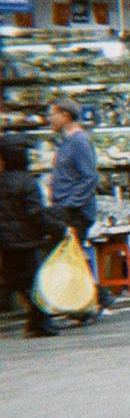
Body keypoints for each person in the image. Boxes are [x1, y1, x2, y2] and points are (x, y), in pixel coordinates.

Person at [47, 96, 111, 313]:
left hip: (74, 211)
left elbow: (89, 177)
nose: (49, 119)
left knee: (68, 256)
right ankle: (89, 300)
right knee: (69, 257)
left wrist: (70, 203)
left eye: (52, 114)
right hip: (64, 207)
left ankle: (94, 298)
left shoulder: (79, 141)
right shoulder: (65, 141)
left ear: (65, 115)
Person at [0, 135, 66, 337]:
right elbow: (36, 214)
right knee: (37, 282)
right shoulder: (28, 182)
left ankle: (35, 322)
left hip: (6, 242)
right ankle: (40, 323)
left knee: (15, 281)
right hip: (28, 241)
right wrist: (56, 227)